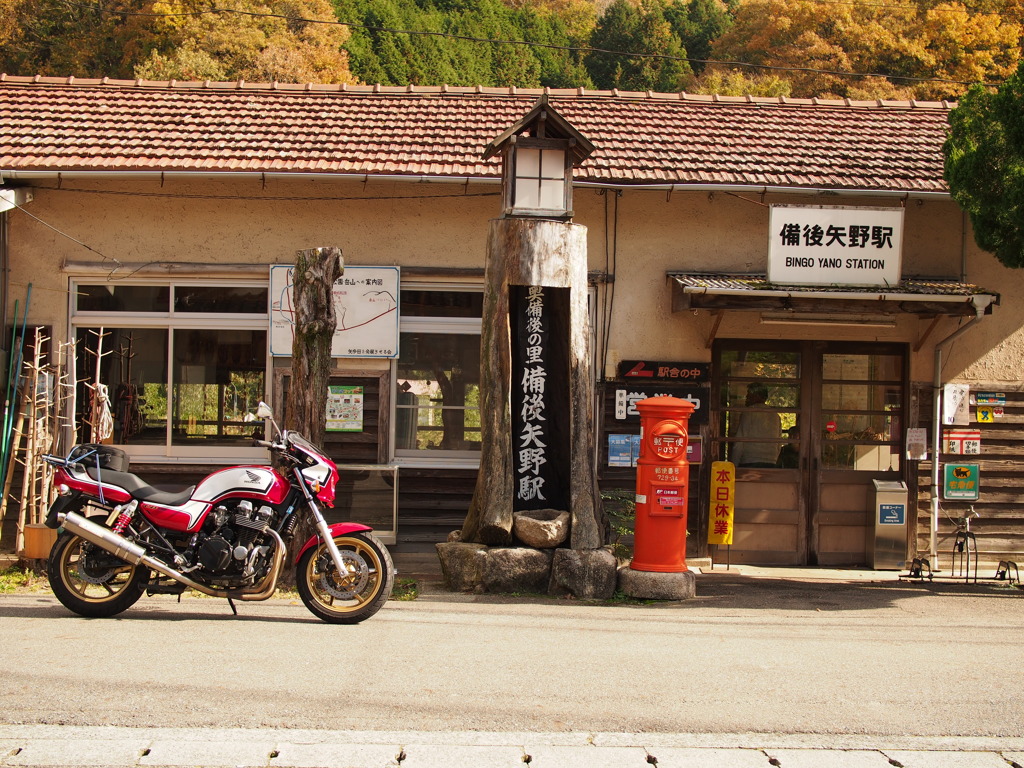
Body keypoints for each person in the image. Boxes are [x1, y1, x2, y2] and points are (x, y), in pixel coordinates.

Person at [731, 383, 781, 468]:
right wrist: (774, 459)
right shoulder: (775, 415)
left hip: (750, 461)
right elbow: (779, 443)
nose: (747, 397)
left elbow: (740, 441)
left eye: (749, 394)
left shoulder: (749, 412)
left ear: (757, 396)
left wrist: (733, 465)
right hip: (771, 462)